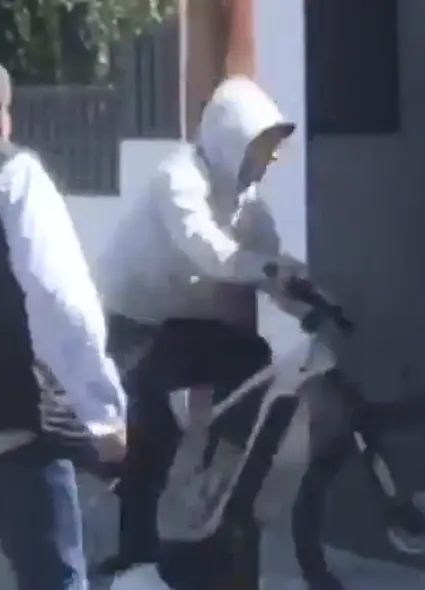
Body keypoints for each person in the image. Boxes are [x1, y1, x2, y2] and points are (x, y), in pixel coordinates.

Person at [92, 75, 308, 582]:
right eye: (263, 146)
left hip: (179, 325)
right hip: (131, 326)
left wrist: (314, 300)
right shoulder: (179, 178)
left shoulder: (247, 205)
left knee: (253, 358)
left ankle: (223, 466)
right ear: (231, 139)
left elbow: (271, 265)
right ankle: (138, 556)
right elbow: (211, 253)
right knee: (152, 438)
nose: (273, 159)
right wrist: (273, 270)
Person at [0, 54, 129, 590]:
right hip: (6, 435)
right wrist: (102, 415)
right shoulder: (12, 173)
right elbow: (62, 304)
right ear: (1, 115)